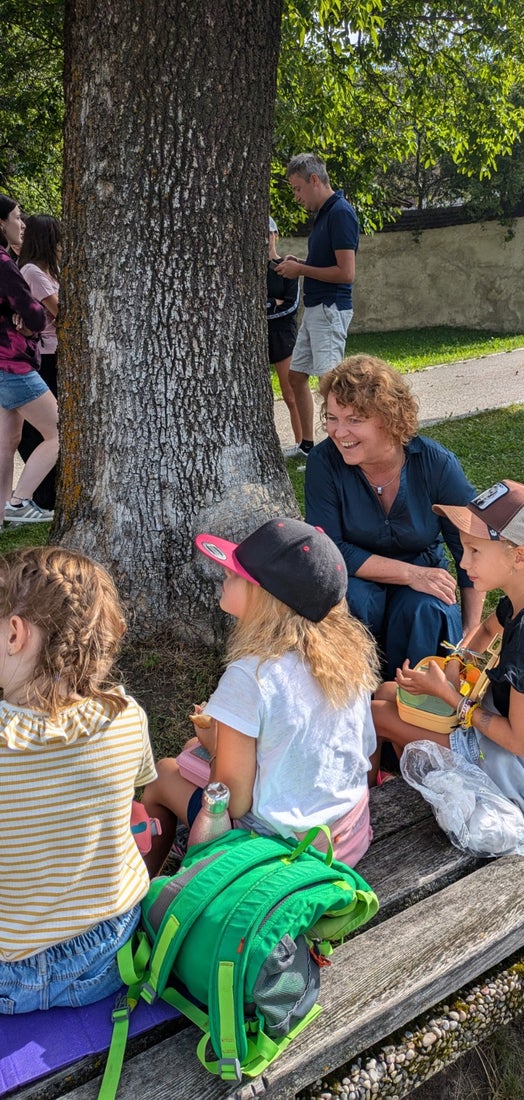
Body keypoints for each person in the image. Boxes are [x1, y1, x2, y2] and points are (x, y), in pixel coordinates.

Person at [142, 517, 380, 875]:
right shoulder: (350, 659)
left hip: (279, 856)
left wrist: (217, 745)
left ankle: (143, 895)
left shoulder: (251, 675)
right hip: (345, 839)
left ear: (266, 596)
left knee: (162, 774)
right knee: (195, 748)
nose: (225, 574)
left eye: (236, 573)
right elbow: (360, 749)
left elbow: (233, 802)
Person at [372, 479, 524, 821]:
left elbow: (520, 743)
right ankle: (425, 778)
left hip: (523, 768)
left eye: (475, 551)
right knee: (387, 692)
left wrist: (449, 696)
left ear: (520, 557)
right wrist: (459, 661)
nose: (463, 562)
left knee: (376, 715)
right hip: (517, 736)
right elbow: (487, 629)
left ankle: (364, 817)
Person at [0, 546, 157, 1012]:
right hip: (108, 956)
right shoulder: (127, 718)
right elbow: (131, 805)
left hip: (11, 977)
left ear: (15, 634)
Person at [304, 355, 484, 680]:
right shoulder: (323, 463)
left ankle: (419, 714)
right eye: (332, 418)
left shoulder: (436, 464)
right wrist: (411, 574)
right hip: (356, 577)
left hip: (422, 573)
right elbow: (329, 550)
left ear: (388, 419)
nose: (338, 432)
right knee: (352, 601)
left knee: (430, 609)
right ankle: (358, 705)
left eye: (354, 420)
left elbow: (470, 544)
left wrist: (471, 629)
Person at [275, 154, 359, 460]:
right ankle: (309, 446)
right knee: (296, 376)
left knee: (332, 385)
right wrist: (302, 263)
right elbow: (326, 265)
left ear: (314, 180)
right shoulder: (324, 214)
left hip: (330, 309)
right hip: (315, 309)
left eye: (297, 189)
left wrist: (302, 271)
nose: (296, 197)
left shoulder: (341, 214)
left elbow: (345, 273)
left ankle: (343, 447)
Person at [0, 194, 58, 523]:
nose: (21, 224)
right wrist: (23, 318)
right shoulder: (5, 263)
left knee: (7, 443)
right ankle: (20, 502)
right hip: (13, 363)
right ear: (1, 223)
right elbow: (36, 316)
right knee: (59, 432)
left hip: (5, 363)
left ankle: (3, 515)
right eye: (16, 217)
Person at [18, 214, 62, 511]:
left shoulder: (47, 271)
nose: (62, 247)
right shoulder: (33, 271)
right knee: (45, 428)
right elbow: (60, 309)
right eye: (58, 240)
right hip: (44, 356)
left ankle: (45, 494)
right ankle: (38, 496)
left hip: (54, 352)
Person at [267, 216, 302, 448]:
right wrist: (272, 302)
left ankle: (301, 442)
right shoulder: (250, 271)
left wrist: (268, 306)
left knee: (290, 394)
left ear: (276, 235)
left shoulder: (287, 268)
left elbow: (290, 306)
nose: (265, 238)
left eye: (269, 233)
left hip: (283, 336)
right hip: (259, 337)